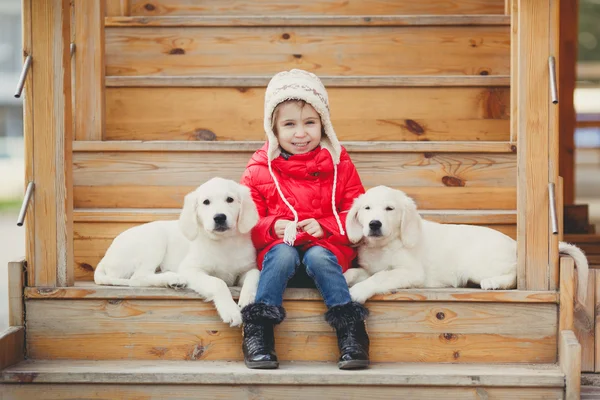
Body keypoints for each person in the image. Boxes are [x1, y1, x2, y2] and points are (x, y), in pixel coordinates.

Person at [239, 69, 370, 370]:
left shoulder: (340, 164)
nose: (301, 133)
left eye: (310, 123)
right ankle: (258, 330)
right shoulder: (259, 169)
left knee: (320, 257)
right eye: (289, 125)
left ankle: (350, 330)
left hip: (326, 250)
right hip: (278, 254)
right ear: (273, 128)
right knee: (283, 254)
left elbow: (357, 210)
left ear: (323, 123)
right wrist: (272, 226)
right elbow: (248, 220)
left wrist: (325, 226)